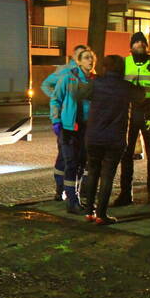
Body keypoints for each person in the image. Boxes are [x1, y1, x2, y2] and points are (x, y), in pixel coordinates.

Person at [72, 54, 144, 223]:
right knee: (107, 175)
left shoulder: (96, 84)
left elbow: (79, 94)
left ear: (104, 67)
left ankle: (89, 212)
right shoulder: (126, 87)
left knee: (93, 172)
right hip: (115, 139)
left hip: (94, 136)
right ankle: (102, 215)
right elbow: (141, 95)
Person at [113, 31, 150, 207]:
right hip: (130, 113)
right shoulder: (125, 63)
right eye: (136, 42)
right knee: (126, 153)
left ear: (147, 46)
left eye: (142, 42)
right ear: (131, 47)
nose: (140, 45)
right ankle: (125, 194)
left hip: (149, 112)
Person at [50, 48, 95, 214]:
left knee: (81, 164)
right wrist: (56, 120)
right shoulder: (68, 78)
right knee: (71, 163)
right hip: (70, 128)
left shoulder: (95, 81)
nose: (90, 60)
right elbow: (56, 99)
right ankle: (71, 200)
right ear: (79, 61)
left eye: (92, 58)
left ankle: (76, 198)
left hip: (87, 128)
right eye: (86, 58)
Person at [41, 44, 87, 200]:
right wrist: (61, 102)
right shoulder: (65, 71)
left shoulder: (88, 74)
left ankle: (76, 192)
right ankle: (60, 189)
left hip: (82, 124)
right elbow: (46, 85)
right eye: (80, 54)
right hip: (66, 122)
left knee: (79, 158)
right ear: (74, 56)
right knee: (64, 157)